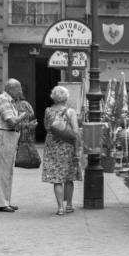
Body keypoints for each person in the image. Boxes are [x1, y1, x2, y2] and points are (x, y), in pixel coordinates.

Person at [0, 79, 32, 212]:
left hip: (7, 134)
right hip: (2, 134)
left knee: (7, 171)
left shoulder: (10, 101)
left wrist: (26, 124)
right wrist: (24, 115)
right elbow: (12, 121)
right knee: (2, 170)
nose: (20, 91)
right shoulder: (3, 99)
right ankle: (1, 203)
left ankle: (5, 201)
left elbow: (13, 123)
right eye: (18, 89)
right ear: (10, 89)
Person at [42, 86, 83, 215]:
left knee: (57, 178)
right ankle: (69, 205)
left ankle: (60, 207)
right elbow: (76, 132)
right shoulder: (70, 112)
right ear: (66, 97)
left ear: (53, 97)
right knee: (68, 177)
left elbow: (46, 127)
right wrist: (78, 148)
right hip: (67, 147)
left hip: (52, 146)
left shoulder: (48, 111)